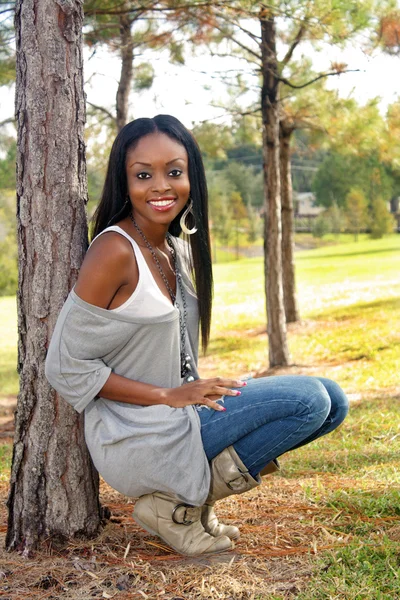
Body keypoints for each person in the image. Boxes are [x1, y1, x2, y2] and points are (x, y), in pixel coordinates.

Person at [45, 114, 349, 557]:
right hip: (138, 436)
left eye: (174, 171)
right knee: (310, 401)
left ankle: (185, 505)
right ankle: (176, 504)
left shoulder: (175, 247)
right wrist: (169, 394)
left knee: (333, 402)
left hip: (177, 420)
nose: (161, 186)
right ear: (123, 181)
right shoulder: (113, 251)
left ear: (191, 176)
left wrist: (190, 390)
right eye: (143, 174)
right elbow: (64, 366)